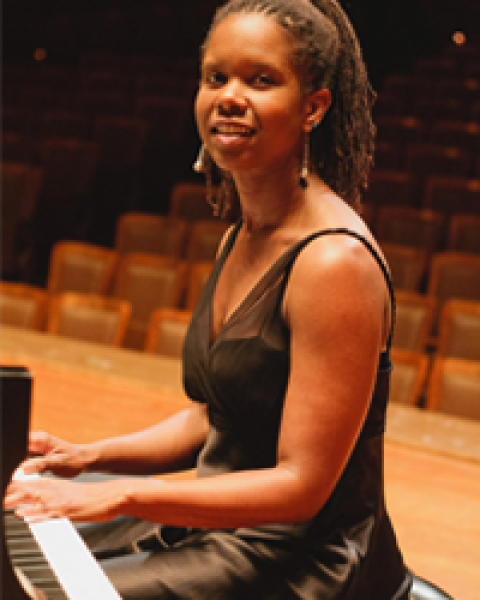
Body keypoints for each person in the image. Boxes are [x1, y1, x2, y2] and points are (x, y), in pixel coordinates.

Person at [5, 1, 412, 598]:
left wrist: (117, 493)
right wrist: (88, 457)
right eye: (216, 77)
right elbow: (215, 418)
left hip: (301, 560)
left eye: (261, 80)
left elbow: (301, 487)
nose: (229, 96)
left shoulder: (334, 262)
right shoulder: (240, 236)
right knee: (16, 543)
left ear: (314, 107)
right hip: (219, 527)